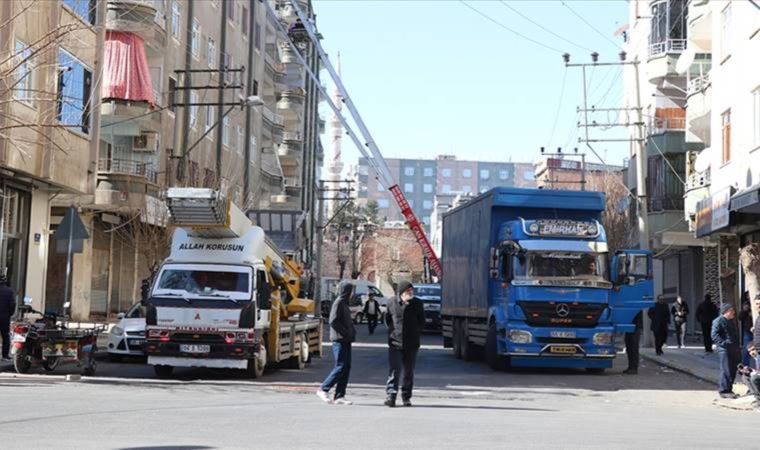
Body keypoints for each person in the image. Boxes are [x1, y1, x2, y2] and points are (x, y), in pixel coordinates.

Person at [384, 281, 425, 407]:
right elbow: (387, 320)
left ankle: (406, 396)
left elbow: (421, 322)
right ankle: (391, 395)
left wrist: (415, 332)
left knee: (408, 371)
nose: (410, 293)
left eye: (412, 291)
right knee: (394, 370)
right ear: (401, 293)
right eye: (408, 291)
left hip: (411, 344)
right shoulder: (391, 303)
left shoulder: (417, 303)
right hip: (395, 342)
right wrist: (393, 332)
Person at [316, 282, 356, 405]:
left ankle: (339, 395)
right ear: (346, 291)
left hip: (346, 339)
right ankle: (324, 388)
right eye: (351, 291)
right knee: (341, 366)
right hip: (339, 339)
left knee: (346, 367)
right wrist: (345, 333)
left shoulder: (344, 303)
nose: (353, 294)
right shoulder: (339, 302)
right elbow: (333, 321)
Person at [711, 304, 741, 399]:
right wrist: (724, 343)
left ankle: (729, 388)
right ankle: (724, 390)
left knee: (732, 370)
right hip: (725, 350)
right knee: (726, 370)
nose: (734, 313)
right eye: (732, 311)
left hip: (733, 349)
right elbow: (714, 335)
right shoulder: (718, 321)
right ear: (726, 311)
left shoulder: (730, 321)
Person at [739, 344, 760, 410]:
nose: (752, 352)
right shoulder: (754, 359)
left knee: (754, 378)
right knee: (745, 377)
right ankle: (756, 397)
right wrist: (749, 370)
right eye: (749, 351)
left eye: (753, 350)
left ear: (757, 349)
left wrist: (755, 373)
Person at [623, 310, 643, 375]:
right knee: (629, 348)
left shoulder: (638, 308)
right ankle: (630, 367)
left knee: (633, 347)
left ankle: (633, 368)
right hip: (630, 327)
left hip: (635, 328)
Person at [0, 276, 14, 361]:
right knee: (5, 336)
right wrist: (10, 313)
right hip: (5, 317)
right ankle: (5, 355)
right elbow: (12, 304)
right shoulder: (9, 291)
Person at [739, 296, 753, 366]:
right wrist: (745, 311)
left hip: (755, 331)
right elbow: (740, 317)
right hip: (748, 331)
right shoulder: (747, 304)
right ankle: (745, 366)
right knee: (746, 349)